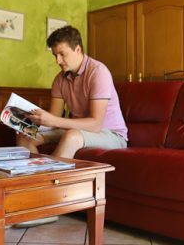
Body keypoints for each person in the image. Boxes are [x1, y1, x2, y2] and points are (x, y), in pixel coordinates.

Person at [15, 25, 128, 227]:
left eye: (62, 54)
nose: (58, 60)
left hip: (110, 134)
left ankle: (47, 206)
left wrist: (53, 121)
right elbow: (54, 117)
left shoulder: (98, 72)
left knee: (72, 136)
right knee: (25, 135)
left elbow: (94, 124)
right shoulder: (60, 79)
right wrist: (32, 120)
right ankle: (30, 196)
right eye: (55, 55)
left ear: (78, 49)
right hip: (74, 129)